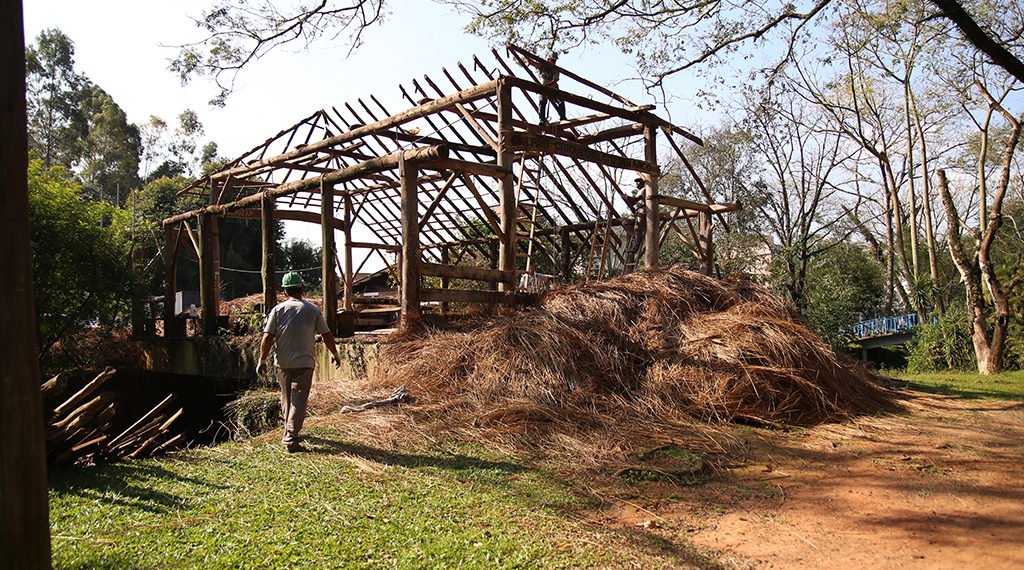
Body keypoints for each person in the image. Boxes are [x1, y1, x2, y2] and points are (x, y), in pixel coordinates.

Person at [257, 271, 341, 453]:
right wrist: (335, 353)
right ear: (302, 290)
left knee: (287, 399)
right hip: (304, 362)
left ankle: (289, 431)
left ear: (285, 292)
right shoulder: (312, 310)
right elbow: (327, 334)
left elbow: (267, 337)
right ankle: (291, 438)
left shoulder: (277, 310)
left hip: (282, 363)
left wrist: (262, 359)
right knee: (299, 400)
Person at [532, 53, 567, 126]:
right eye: (553, 60)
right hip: (544, 87)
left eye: (555, 60)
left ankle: (563, 117)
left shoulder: (556, 69)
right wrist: (527, 57)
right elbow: (534, 64)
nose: (554, 62)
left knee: (560, 100)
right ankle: (542, 120)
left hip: (553, 87)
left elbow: (555, 80)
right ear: (549, 59)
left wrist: (545, 85)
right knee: (542, 103)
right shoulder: (543, 66)